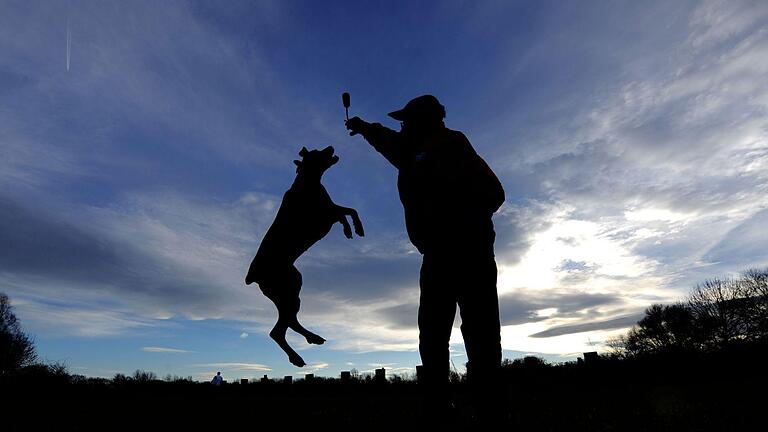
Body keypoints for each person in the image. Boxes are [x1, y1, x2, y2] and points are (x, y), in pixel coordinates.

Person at [346, 95, 505, 421]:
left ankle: (486, 406)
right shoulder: (414, 150)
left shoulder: (448, 145)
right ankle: (440, 405)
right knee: (434, 333)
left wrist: (462, 222)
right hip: (437, 254)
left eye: (407, 119)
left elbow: (494, 193)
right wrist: (364, 127)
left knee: (479, 330)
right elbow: (391, 142)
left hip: (468, 252)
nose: (402, 125)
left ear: (426, 119)